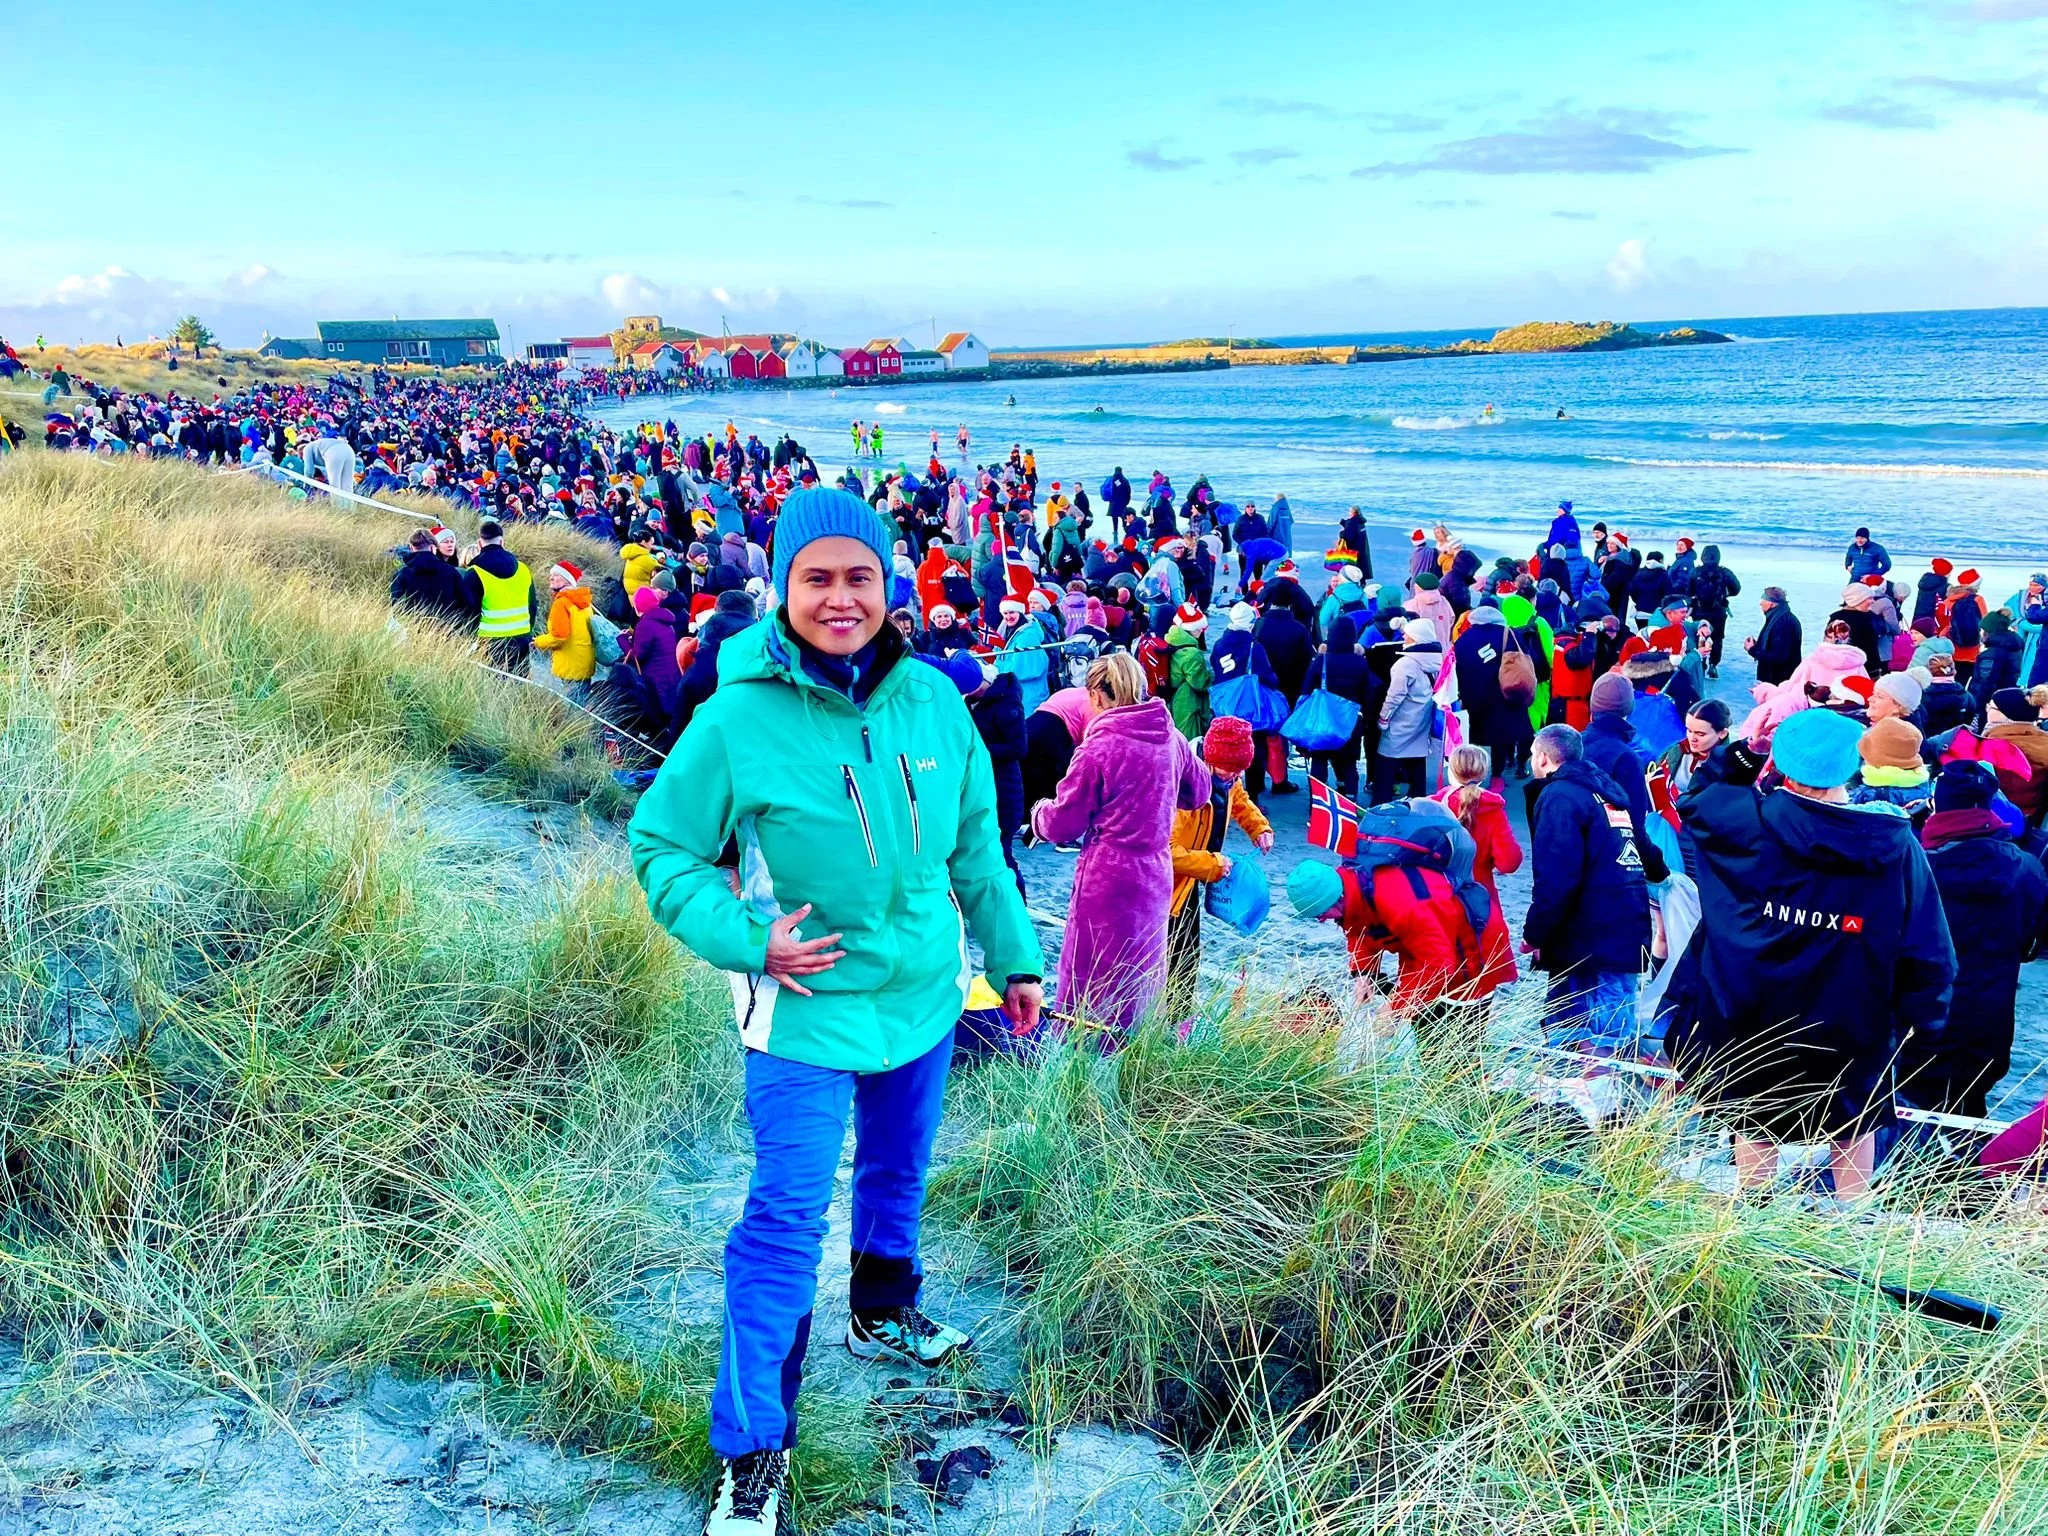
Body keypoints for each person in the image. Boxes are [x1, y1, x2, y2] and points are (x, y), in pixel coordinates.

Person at [628, 487, 1044, 1536]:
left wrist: (1015, 957)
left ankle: (881, 1307)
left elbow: (974, 852)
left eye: (859, 576)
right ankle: (753, 1449)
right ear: (784, 586)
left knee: (900, 1171)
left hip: (922, 992)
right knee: (779, 1224)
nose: (841, 598)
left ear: (888, 583)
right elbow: (662, 848)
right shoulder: (734, 719)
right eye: (817, 577)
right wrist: (742, 937)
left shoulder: (935, 703)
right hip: (801, 1010)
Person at [1668, 709, 1954, 1203]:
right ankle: (1852, 1235)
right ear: (1854, 767)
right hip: (1851, 1019)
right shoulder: (1894, 845)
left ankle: (1747, 1228)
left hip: (1748, 1010)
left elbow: (1695, 800)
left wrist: (1742, 752)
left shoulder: (1744, 824)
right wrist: (1924, 1024)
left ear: (1782, 763)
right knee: (1855, 1120)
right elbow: (1928, 951)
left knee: (1754, 1117)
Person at [1030, 652, 1210, 1039]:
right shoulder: (1172, 738)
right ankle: (1136, 1052)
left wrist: (1039, 813)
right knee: (1143, 970)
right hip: (1155, 871)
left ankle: (1083, 1053)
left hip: (1107, 875)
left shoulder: (1099, 748)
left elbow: (1063, 824)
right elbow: (1200, 792)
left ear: (1096, 694)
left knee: (1091, 974)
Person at [1899, 762, 2048, 1117]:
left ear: (1938, 804)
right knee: (1967, 1106)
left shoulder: (1917, 863)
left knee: (1913, 1110)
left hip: (1922, 1016)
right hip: (1988, 1019)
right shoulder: (2027, 867)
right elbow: (2030, 944)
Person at [1284, 804, 1514, 1025]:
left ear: (1336, 897)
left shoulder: (1398, 900)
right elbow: (1358, 929)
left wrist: (1396, 1009)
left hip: (1472, 947)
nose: (1322, 920)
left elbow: (1439, 964)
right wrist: (1363, 973)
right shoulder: (1350, 881)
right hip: (1426, 951)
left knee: (1455, 1049)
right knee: (1423, 1032)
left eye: (1321, 913)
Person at [1524, 724, 1654, 1055]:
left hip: (1585, 930)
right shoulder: (1607, 793)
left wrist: (1535, 933)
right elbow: (1643, 849)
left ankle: (1573, 1092)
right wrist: (1662, 874)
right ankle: (1608, 1093)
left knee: (1573, 1024)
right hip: (1626, 921)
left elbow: (1556, 875)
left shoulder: (1559, 797)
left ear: (1542, 757)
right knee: (1615, 1025)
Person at [1165, 717, 1276, 1018]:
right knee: (1172, 959)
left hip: (1189, 882)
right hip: (1164, 890)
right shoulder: (1182, 790)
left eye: (1241, 770)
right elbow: (1165, 852)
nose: (1236, 776)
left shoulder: (1227, 777)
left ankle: (1178, 1021)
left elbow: (1239, 800)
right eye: (1231, 770)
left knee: (1187, 957)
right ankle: (1166, 1020)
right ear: (1210, 760)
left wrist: (1258, 827)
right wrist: (1212, 865)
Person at [1433, 744, 1522, 902]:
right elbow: (1509, 863)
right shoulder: (1492, 809)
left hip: (1436, 895)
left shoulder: (1432, 807)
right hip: (1478, 895)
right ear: (1483, 774)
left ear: (1451, 772)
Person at [1375, 618, 1440, 802]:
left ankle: (1380, 804)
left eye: (1408, 634)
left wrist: (1383, 718)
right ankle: (1418, 801)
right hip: (1423, 719)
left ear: (1417, 638)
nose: (1404, 636)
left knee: (1386, 763)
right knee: (1417, 759)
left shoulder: (1405, 664)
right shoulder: (1437, 660)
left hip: (1401, 721)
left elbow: (1394, 696)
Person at [469, 519, 536, 674]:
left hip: (490, 640)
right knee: (520, 682)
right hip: (522, 637)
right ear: (502, 542)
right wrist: (529, 631)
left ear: (479, 544)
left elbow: (470, 610)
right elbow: (532, 605)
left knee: (494, 688)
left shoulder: (474, 572)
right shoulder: (523, 569)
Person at [531, 559, 598, 702]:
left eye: (556, 575)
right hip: (585, 660)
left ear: (567, 580)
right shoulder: (584, 602)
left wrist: (538, 641)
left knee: (574, 707)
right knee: (583, 702)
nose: (551, 578)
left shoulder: (562, 603)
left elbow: (559, 637)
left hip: (570, 664)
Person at [391, 526, 478, 627]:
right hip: (447, 631)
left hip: (414, 631)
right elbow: (468, 603)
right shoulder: (451, 572)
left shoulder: (402, 573)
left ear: (411, 547)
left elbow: (397, 608)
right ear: (433, 548)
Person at [1163, 601, 1213, 741]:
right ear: (1191, 627)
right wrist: (1212, 675)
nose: (1202, 630)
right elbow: (1200, 683)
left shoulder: (1172, 639)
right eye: (1199, 627)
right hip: (1186, 701)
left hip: (1172, 697)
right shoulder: (1191, 653)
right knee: (1189, 741)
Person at [1687, 546, 1741, 676]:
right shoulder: (1725, 572)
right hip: (1718, 611)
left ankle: (1701, 662)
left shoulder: (1695, 571)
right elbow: (1737, 588)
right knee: (1717, 638)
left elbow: (1688, 590)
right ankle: (1713, 664)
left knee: (1700, 636)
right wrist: (1725, 594)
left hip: (1699, 611)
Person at [1745, 587, 1803, 686]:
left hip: (1779, 680)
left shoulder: (1783, 623)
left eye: (1763, 599)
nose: (1760, 603)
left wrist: (1752, 650)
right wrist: (1758, 646)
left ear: (1771, 603)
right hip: (1776, 678)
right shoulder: (1777, 617)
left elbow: (1779, 656)